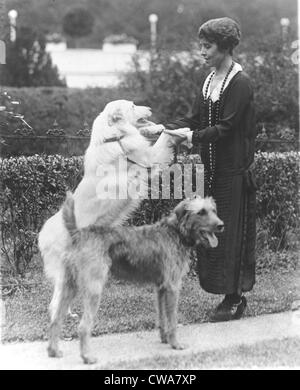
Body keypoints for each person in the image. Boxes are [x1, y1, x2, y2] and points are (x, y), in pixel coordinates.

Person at [165, 17, 257, 322]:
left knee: (229, 233)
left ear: (225, 46)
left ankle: (235, 298)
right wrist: (164, 130)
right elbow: (194, 119)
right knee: (210, 232)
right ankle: (224, 294)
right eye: (200, 45)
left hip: (232, 173)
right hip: (211, 170)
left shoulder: (239, 82)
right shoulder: (208, 80)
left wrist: (191, 137)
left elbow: (227, 128)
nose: (202, 51)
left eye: (207, 46)